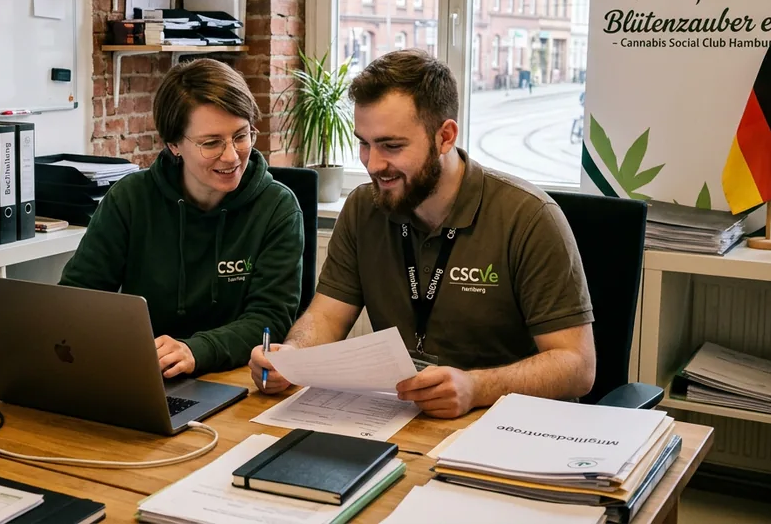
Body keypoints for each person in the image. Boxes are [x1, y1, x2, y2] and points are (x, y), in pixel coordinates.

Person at [249, 49, 595, 418]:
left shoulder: (528, 217)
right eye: (364, 143)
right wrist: (294, 356)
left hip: (504, 422)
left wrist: (476, 387)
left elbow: (577, 366)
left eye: (391, 146)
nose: (373, 164)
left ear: (445, 137)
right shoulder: (365, 207)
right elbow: (327, 317)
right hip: (401, 415)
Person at [61, 58, 304, 378]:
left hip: (238, 381)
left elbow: (267, 320)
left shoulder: (278, 208)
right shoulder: (130, 199)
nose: (231, 156)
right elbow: (78, 299)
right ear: (174, 144)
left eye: (241, 136)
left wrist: (196, 350)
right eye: (211, 142)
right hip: (146, 374)